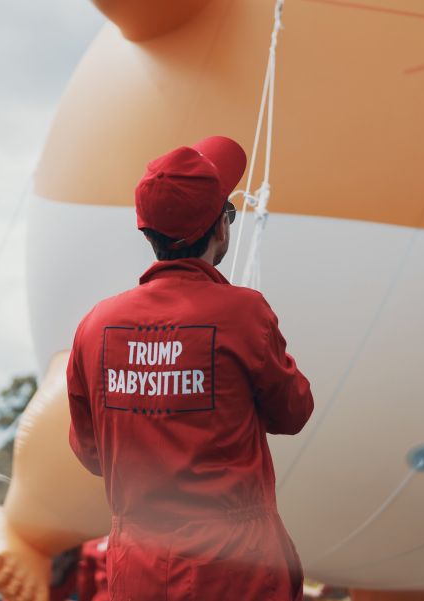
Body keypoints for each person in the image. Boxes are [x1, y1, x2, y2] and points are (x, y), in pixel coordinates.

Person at [67, 136, 314, 600]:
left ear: (146, 232)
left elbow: (90, 452)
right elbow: (294, 412)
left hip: (136, 570)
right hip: (237, 570)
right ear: (221, 227)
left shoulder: (95, 325)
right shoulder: (244, 314)